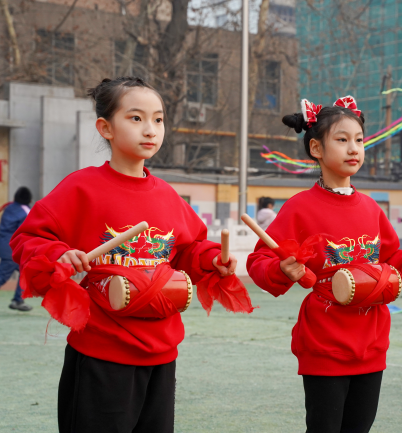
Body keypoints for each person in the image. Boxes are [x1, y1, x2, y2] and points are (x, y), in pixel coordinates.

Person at [11, 77, 236, 433]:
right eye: (136, 118)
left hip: (162, 352)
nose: (150, 129)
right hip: (102, 351)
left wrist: (212, 260)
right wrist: (61, 254)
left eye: (158, 119)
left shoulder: (167, 195)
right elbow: (29, 237)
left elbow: (190, 248)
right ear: (106, 128)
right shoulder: (81, 188)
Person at [247, 96, 402, 433]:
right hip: (324, 344)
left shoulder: (370, 207)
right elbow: (259, 260)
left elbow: (394, 262)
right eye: (342, 140)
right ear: (316, 148)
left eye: (359, 140)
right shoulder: (299, 207)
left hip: (372, 342)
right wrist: (281, 269)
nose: (353, 148)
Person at [1, 187, 33, 311]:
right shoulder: (26, 211)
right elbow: (27, 229)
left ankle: (18, 300)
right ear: (29, 199)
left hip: (4, 245)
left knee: (25, 273)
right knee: (3, 276)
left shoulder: (8, 207)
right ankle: (18, 300)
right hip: (13, 248)